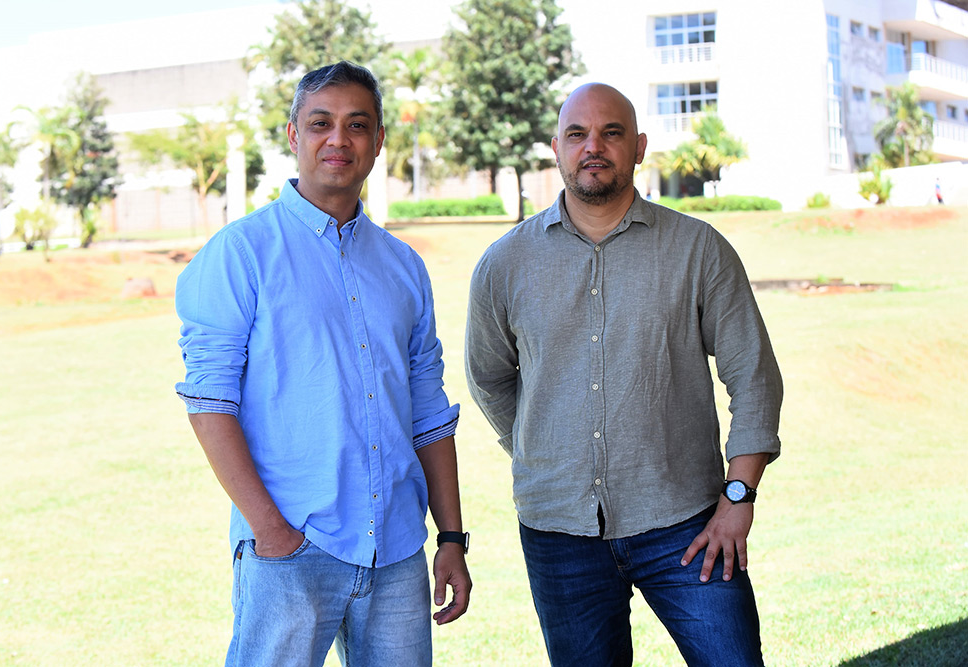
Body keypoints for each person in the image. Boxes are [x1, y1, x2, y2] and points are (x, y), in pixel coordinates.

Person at [465, 82, 782, 666]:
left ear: (637, 147)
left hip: (687, 524)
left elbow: (754, 375)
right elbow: (488, 375)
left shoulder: (699, 250)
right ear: (555, 149)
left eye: (611, 133)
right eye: (577, 134)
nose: (594, 147)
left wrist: (739, 495)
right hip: (558, 532)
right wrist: (536, 444)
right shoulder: (504, 264)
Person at [175, 61, 471, 667]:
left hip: (394, 551)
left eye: (357, 124)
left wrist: (449, 538)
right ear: (293, 135)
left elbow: (428, 410)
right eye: (320, 123)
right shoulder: (240, 254)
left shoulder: (404, 266)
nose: (339, 139)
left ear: (379, 141)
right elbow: (209, 404)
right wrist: (271, 531)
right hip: (290, 548)